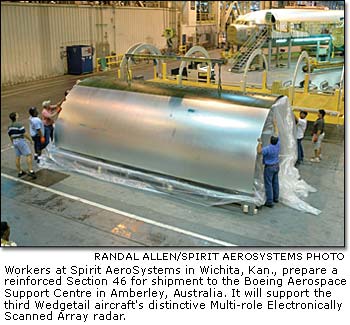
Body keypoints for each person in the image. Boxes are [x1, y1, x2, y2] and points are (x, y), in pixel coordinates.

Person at [257, 119, 280, 208]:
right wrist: (275, 125)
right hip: (277, 166)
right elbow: (277, 133)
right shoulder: (278, 145)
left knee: (268, 183)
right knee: (275, 182)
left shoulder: (268, 149)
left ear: (270, 141)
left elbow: (259, 151)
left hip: (269, 167)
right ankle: (276, 198)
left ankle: (269, 201)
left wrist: (260, 142)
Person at [8, 112, 36, 178]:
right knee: (28, 154)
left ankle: (20, 171)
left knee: (17, 156)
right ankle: (31, 171)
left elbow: (10, 136)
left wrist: (13, 142)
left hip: (15, 141)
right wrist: (30, 140)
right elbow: (25, 134)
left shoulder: (9, 126)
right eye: (17, 114)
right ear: (15, 117)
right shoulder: (19, 125)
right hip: (20, 141)